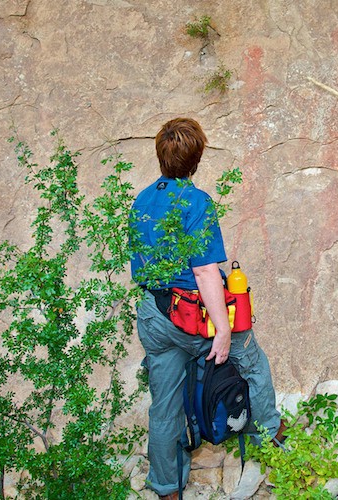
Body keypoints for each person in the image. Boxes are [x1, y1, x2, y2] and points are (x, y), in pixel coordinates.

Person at [130, 117, 285, 499]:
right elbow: (203, 271)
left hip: (154, 313)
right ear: (196, 159)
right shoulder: (196, 202)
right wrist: (224, 328)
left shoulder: (142, 200)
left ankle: (167, 487)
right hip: (191, 316)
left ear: (160, 157)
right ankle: (270, 432)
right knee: (250, 358)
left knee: (164, 404)